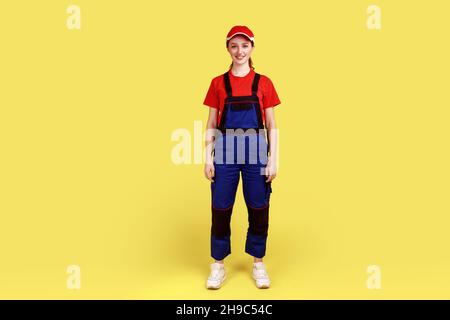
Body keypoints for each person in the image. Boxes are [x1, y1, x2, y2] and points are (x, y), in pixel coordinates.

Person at [203, 25, 281, 289]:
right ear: (228, 48)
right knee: (221, 207)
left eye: (244, 45)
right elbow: (212, 123)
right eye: (234, 46)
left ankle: (258, 263)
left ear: (252, 48)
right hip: (224, 152)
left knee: (258, 207)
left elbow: (271, 125)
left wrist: (274, 158)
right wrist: (206, 157)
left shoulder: (264, 83)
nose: (239, 51)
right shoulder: (217, 83)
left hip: (257, 152)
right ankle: (218, 265)